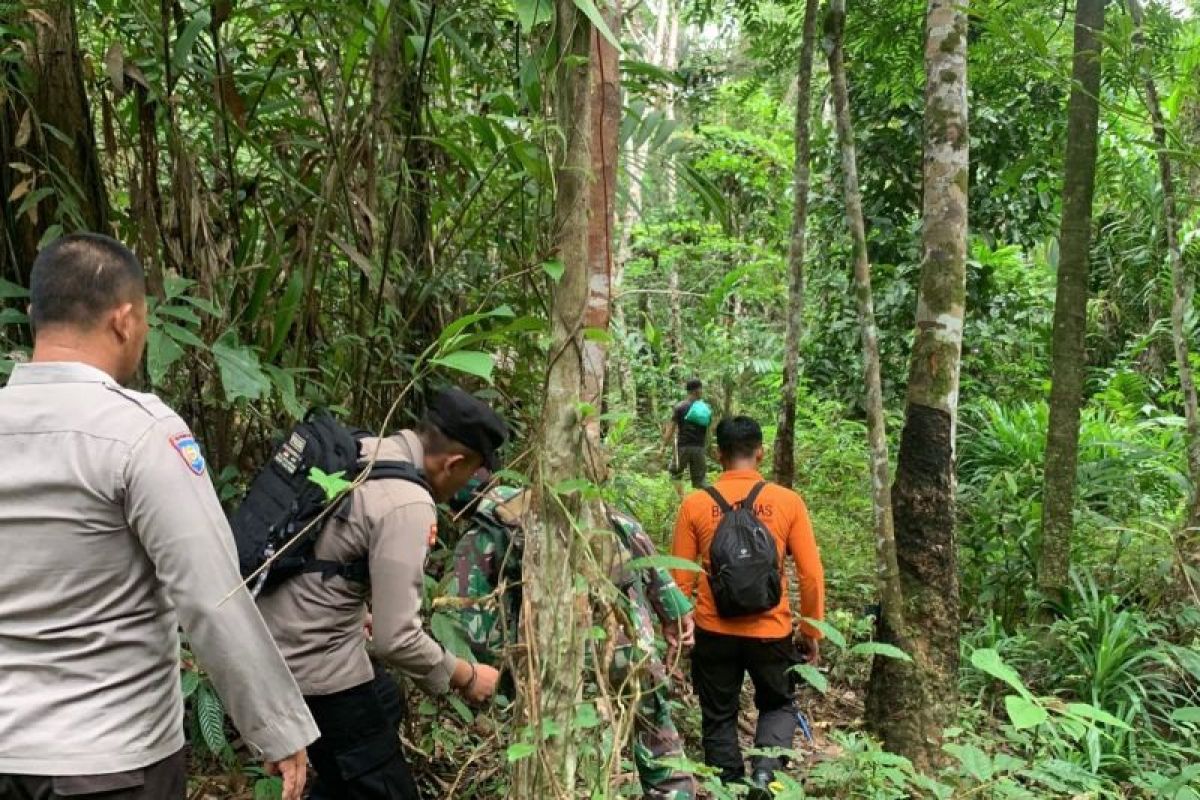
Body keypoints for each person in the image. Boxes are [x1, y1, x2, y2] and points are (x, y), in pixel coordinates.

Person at [0, 233, 316, 800]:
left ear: (33, 315)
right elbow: (208, 593)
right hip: (109, 760)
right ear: (124, 320)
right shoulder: (140, 432)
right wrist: (275, 726)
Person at [257, 387, 509, 799]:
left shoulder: (360, 450)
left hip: (268, 639)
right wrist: (465, 676)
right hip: (313, 669)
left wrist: (355, 614)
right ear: (454, 462)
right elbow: (397, 639)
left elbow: (323, 554)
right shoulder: (408, 503)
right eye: (473, 472)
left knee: (385, 699)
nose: (470, 483)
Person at [451, 480, 699, 800]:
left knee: (569, 758)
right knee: (657, 741)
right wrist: (675, 616)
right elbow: (644, 552)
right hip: (631, 645)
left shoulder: (483, 534)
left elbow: (476, 625)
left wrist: (497, 673)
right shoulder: (585, 509)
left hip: (559, 665)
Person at [670, 416, 825, 794]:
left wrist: (677, 630)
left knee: (719, 715)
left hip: (713, 630)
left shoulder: (695, 503)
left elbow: (679, 579)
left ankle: (728, 786)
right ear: (760, 452)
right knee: (777, 705)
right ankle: (765, 776)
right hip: (771, 632)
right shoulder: (788, 502)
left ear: (718, 454)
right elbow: (811, 574)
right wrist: (810, 632)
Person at [663, 378, 712, 494]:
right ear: (697, 390)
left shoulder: (680, 407)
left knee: (675, 473)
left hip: (683, 447)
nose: (701, 391)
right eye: (701, 389)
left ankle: (681, 499)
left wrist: (663, 445)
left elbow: (671, 428)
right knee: (701, 481)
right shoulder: (704, 408)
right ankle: (708, 502)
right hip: (699, 447)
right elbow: (708, 428)